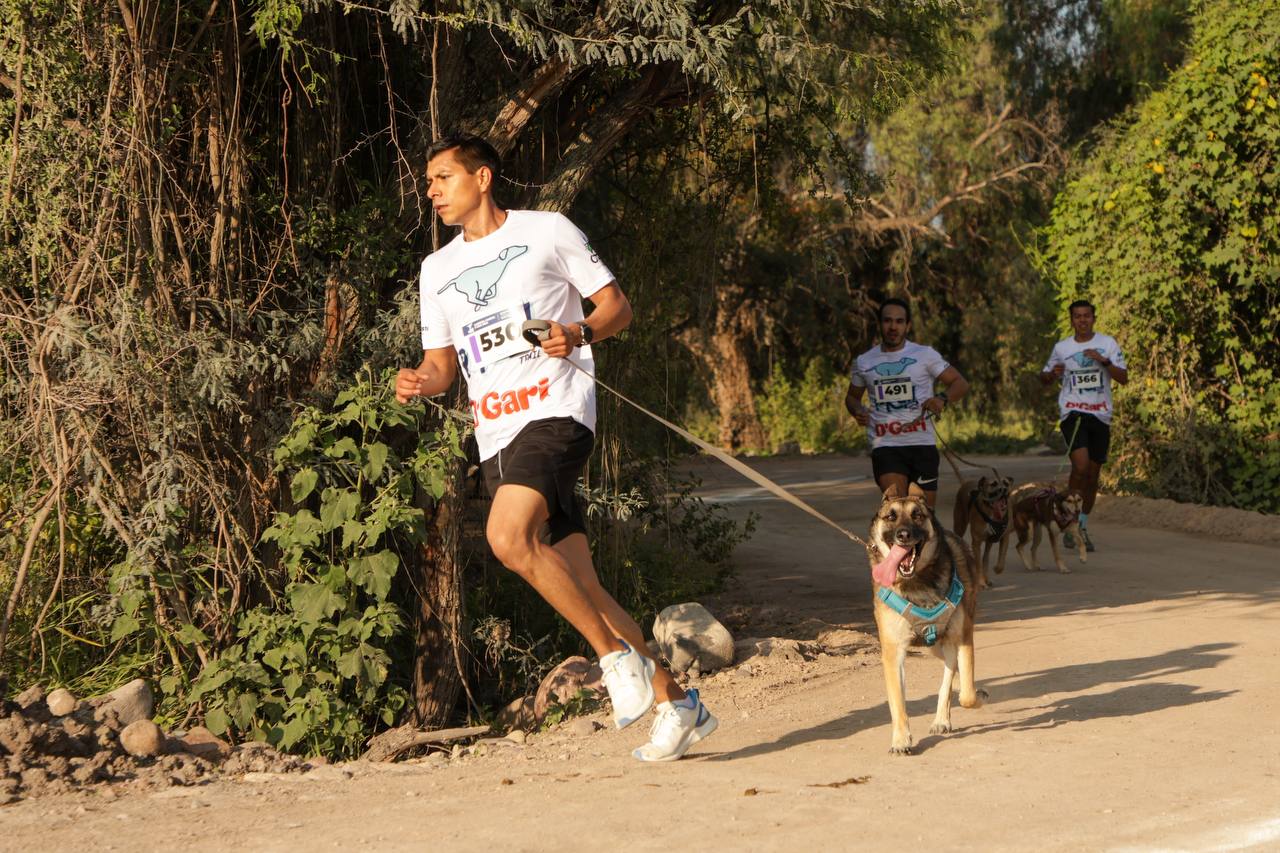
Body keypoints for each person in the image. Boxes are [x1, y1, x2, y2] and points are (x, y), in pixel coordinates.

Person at [396, 134, 716, 762]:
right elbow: (441, 366)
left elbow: (615, 306)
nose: (430, 190)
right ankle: (679, 704)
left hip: (558, 411)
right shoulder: (437, 270)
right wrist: (419, 380)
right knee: (583, 584)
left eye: (442, 177)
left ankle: (611, 660)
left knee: (507, 538)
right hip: (496, 431)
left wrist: (579, 331)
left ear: (482, 178)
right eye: (427, 181)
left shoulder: (546, 230)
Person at [844, 297, 970, 508]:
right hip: (885, 444)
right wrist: (857, 410)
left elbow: (960, 383)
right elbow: (851, 397)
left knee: (923, 516)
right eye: (888, 321)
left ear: (907, 325)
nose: (893, 326)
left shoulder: (924, 355)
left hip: (922, 444)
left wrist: (941, 398)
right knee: (899, 509)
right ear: (880, 324)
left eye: (899, 321)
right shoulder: (864, 361)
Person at [1040, 299, 1128, 552]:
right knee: (1080, 466)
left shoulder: (1107, 344)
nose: (1082, 320)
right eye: (1077, 316)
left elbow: (1123, 378)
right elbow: (1044, 377)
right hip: (1073, 412)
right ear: (1071, 320)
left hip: (1101, 414)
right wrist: (1051, 374)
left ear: (1093, 318)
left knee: (1093, 474)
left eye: (1086, 316)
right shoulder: (1062, 348)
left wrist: (1104, 361)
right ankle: (1068, 519)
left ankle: (1081, 524)